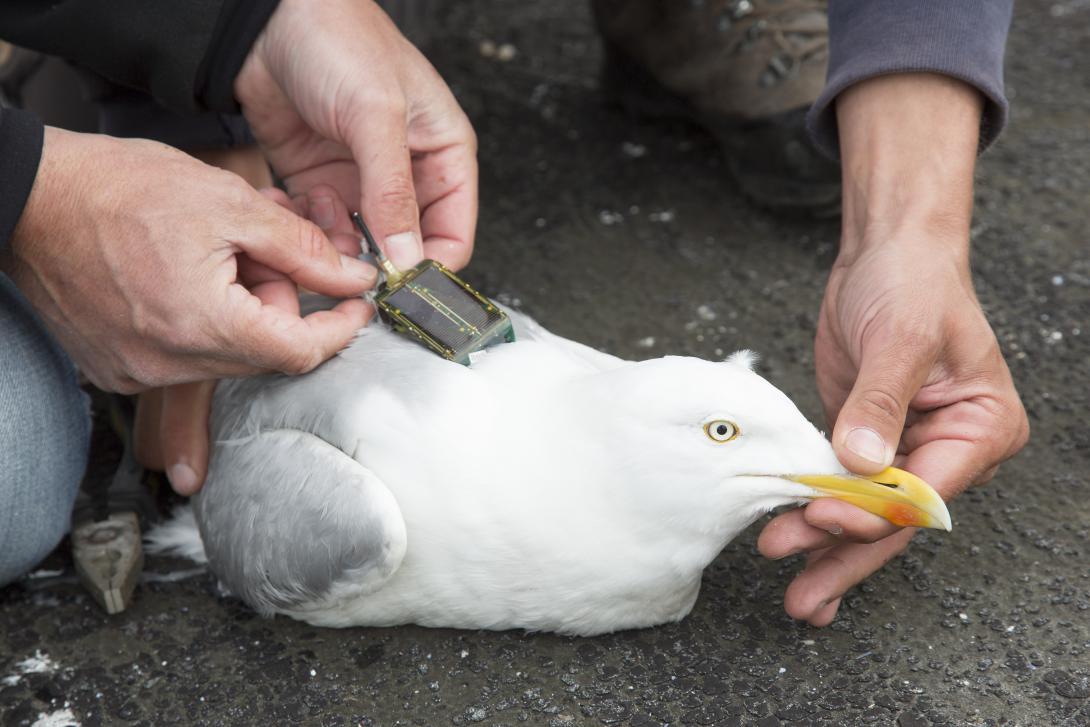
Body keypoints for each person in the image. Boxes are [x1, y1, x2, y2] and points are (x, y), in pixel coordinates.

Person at [0, 0, 1028, 627]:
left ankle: (143, 65)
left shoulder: (618, 485)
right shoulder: (372, 515)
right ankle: (88, 89)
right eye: (720, 429)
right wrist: (45, 204)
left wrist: (912, 229)